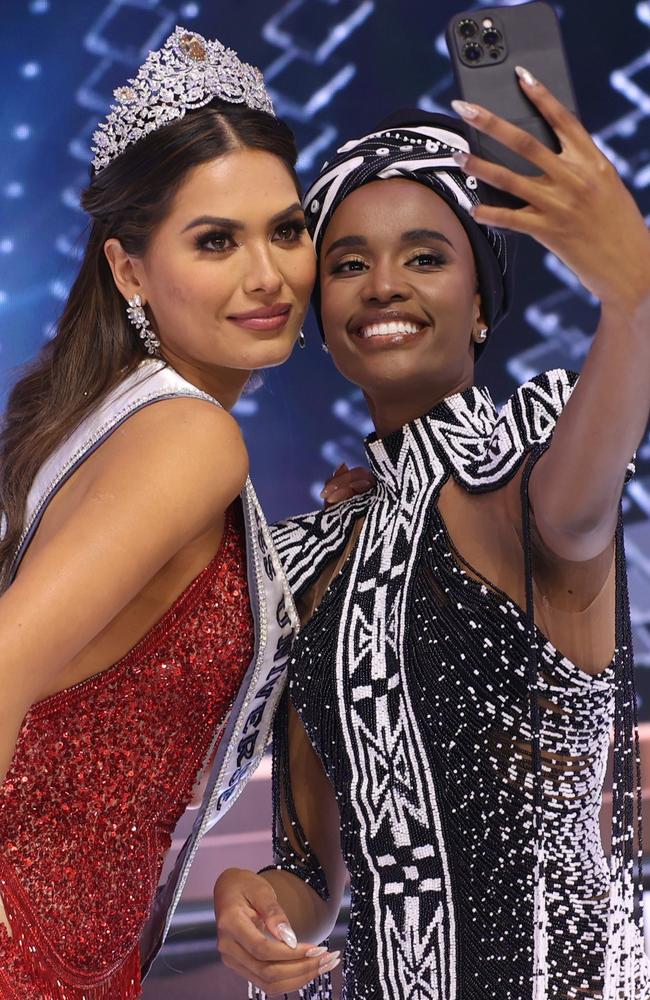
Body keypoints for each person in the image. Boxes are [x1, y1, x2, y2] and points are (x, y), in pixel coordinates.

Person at [213, 71, 650, 999]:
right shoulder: (314, 560)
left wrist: (636, 292)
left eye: (425, 257)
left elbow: (578, 506)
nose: (383, 286)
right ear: (323, 322)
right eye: (348, 263)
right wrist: (252, 896)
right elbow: (318, 876)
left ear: (483, 302)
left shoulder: (524, 477)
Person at [0, 26, 359, 999]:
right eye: (215, 240)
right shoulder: (190, 438)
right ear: (127, 270)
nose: (268, 276)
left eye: (285, 230)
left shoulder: (115, 420)